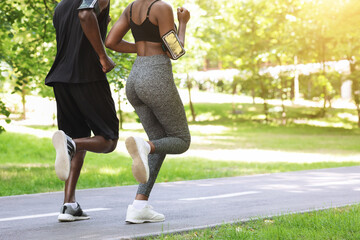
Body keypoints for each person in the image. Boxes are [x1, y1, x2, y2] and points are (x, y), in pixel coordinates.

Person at [105, 0, 191, 223]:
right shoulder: (161, 7)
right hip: (155, 76)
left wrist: (141, 47)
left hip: (135, 79)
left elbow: (111, 41)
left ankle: (139, 206)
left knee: (159, 142)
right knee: (181, 140)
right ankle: (145, 146)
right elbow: (175, 51)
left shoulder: (131, 8)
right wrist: (183, 23)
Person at [45, 0, 125, 222]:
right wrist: (102, 56)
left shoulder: (60, 6)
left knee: (76, 138)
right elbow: (84, 15)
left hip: (61, 79)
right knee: (108, 140)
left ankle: (69, 204)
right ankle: (71, 144)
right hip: (88, 77)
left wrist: (102, 23)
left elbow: (77, 36)